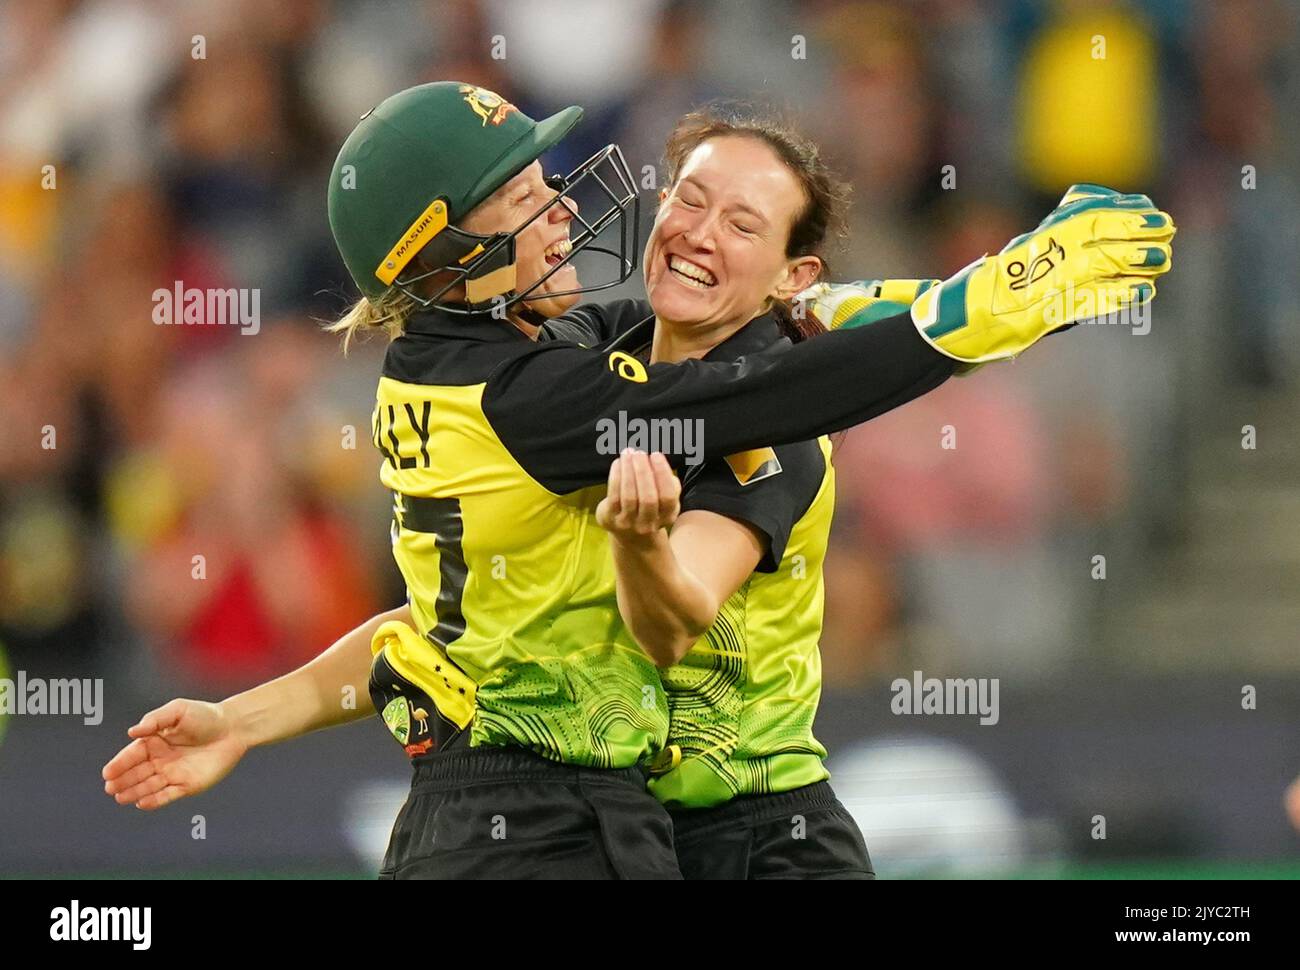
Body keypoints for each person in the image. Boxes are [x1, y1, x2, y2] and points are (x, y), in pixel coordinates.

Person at [102, 82, 1174, 879]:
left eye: (742, 223)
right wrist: (1001, 305)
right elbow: (760, 400)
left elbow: (425, 636)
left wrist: (248, 717)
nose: (564, 209)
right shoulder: (547, 397)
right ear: (446, 259)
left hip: (662, 823)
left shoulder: (507, 355)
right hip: (555, 825)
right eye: (522, 199)